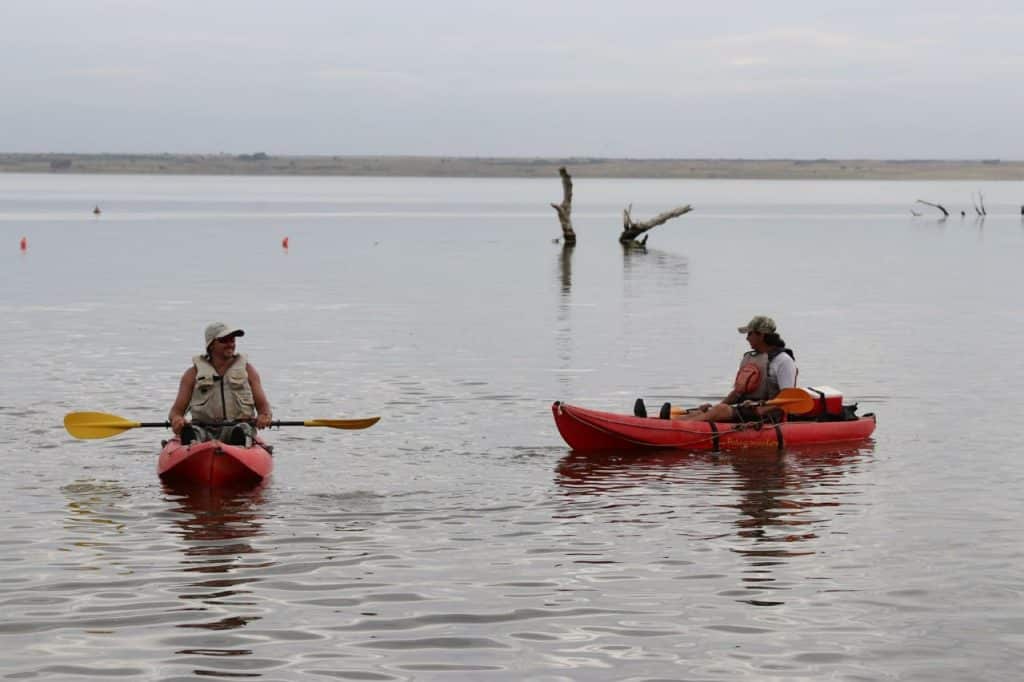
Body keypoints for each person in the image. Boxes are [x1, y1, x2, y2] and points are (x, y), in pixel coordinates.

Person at [639, 315, 797, 423]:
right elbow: (737, 393)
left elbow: (786, 399)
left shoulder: (783, 361)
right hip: (746, 408)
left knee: (719, 410)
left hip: (766, 415)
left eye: (750, 334)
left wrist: (761, 408)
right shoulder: (754, 358)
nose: (747, 338)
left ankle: (673, 429)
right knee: (704, 410)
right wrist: (713, 409)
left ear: (761, 335)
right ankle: (661, 423)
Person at [168, 322, 273, 445]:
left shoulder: (248, 371)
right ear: (211, 345)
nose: (230, 344)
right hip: (203, 429)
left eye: (232, 340)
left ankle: (240, 444)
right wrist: (177, 419)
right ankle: (192, 444)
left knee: (242, 430)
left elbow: (263, 406)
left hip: (237, 427)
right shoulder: (192, 374)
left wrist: (264, 416)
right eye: (224, 340)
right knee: (192, 432)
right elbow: (176, 411)